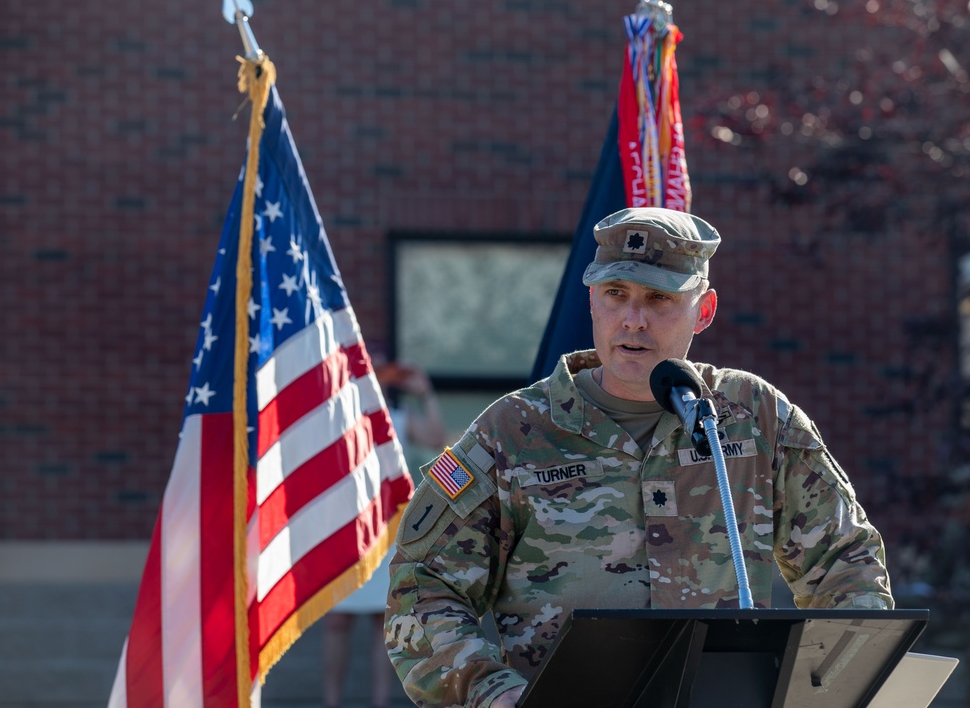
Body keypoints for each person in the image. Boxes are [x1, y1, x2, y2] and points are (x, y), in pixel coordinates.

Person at [383, 207, 893, 708]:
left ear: (705, 310)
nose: (633, 320)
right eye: (615, 294)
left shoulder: (754, 417)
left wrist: (832, 685)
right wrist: (492, 691)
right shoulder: (513, 432)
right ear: (591, 301)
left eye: (659, 298)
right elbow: (424, 585)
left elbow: (846, 564)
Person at [322, 360, 447, 708]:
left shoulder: (398, 418)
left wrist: (425, 393)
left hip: (388, 532)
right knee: (337, 621)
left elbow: (438, 439)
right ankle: (330, 701)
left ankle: (380, 702)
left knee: (384, 620)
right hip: (345, 530)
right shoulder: (341, 417)